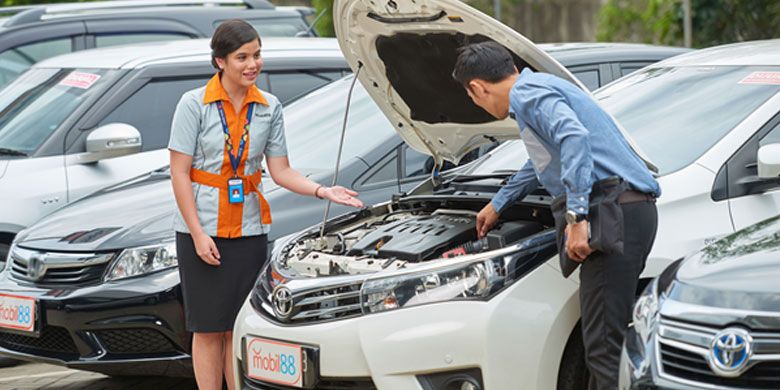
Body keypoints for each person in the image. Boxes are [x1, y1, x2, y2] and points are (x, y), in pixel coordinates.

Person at [452, 41, 660, 389]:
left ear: (477, 87)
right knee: (605, 343)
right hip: (628, 210)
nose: (478, 105)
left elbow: (573, 138)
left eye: (473, 98)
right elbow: (545, 159)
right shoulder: (538, 87)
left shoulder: (528, 95)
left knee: (603, 349)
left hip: (611, 211)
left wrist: (577, 219)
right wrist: (499, 202)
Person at [168, 20, 363, 390]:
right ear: (219, 62)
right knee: (209, 327)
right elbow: (179, 173)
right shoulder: (193, 104)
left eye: (256, 55)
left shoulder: (269, 106)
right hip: (203, 229)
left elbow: (281, 170)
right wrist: (196, 234)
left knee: (239, 325)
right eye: (242, 57)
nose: (252, 64)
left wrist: (323, 191)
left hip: (249, 230)